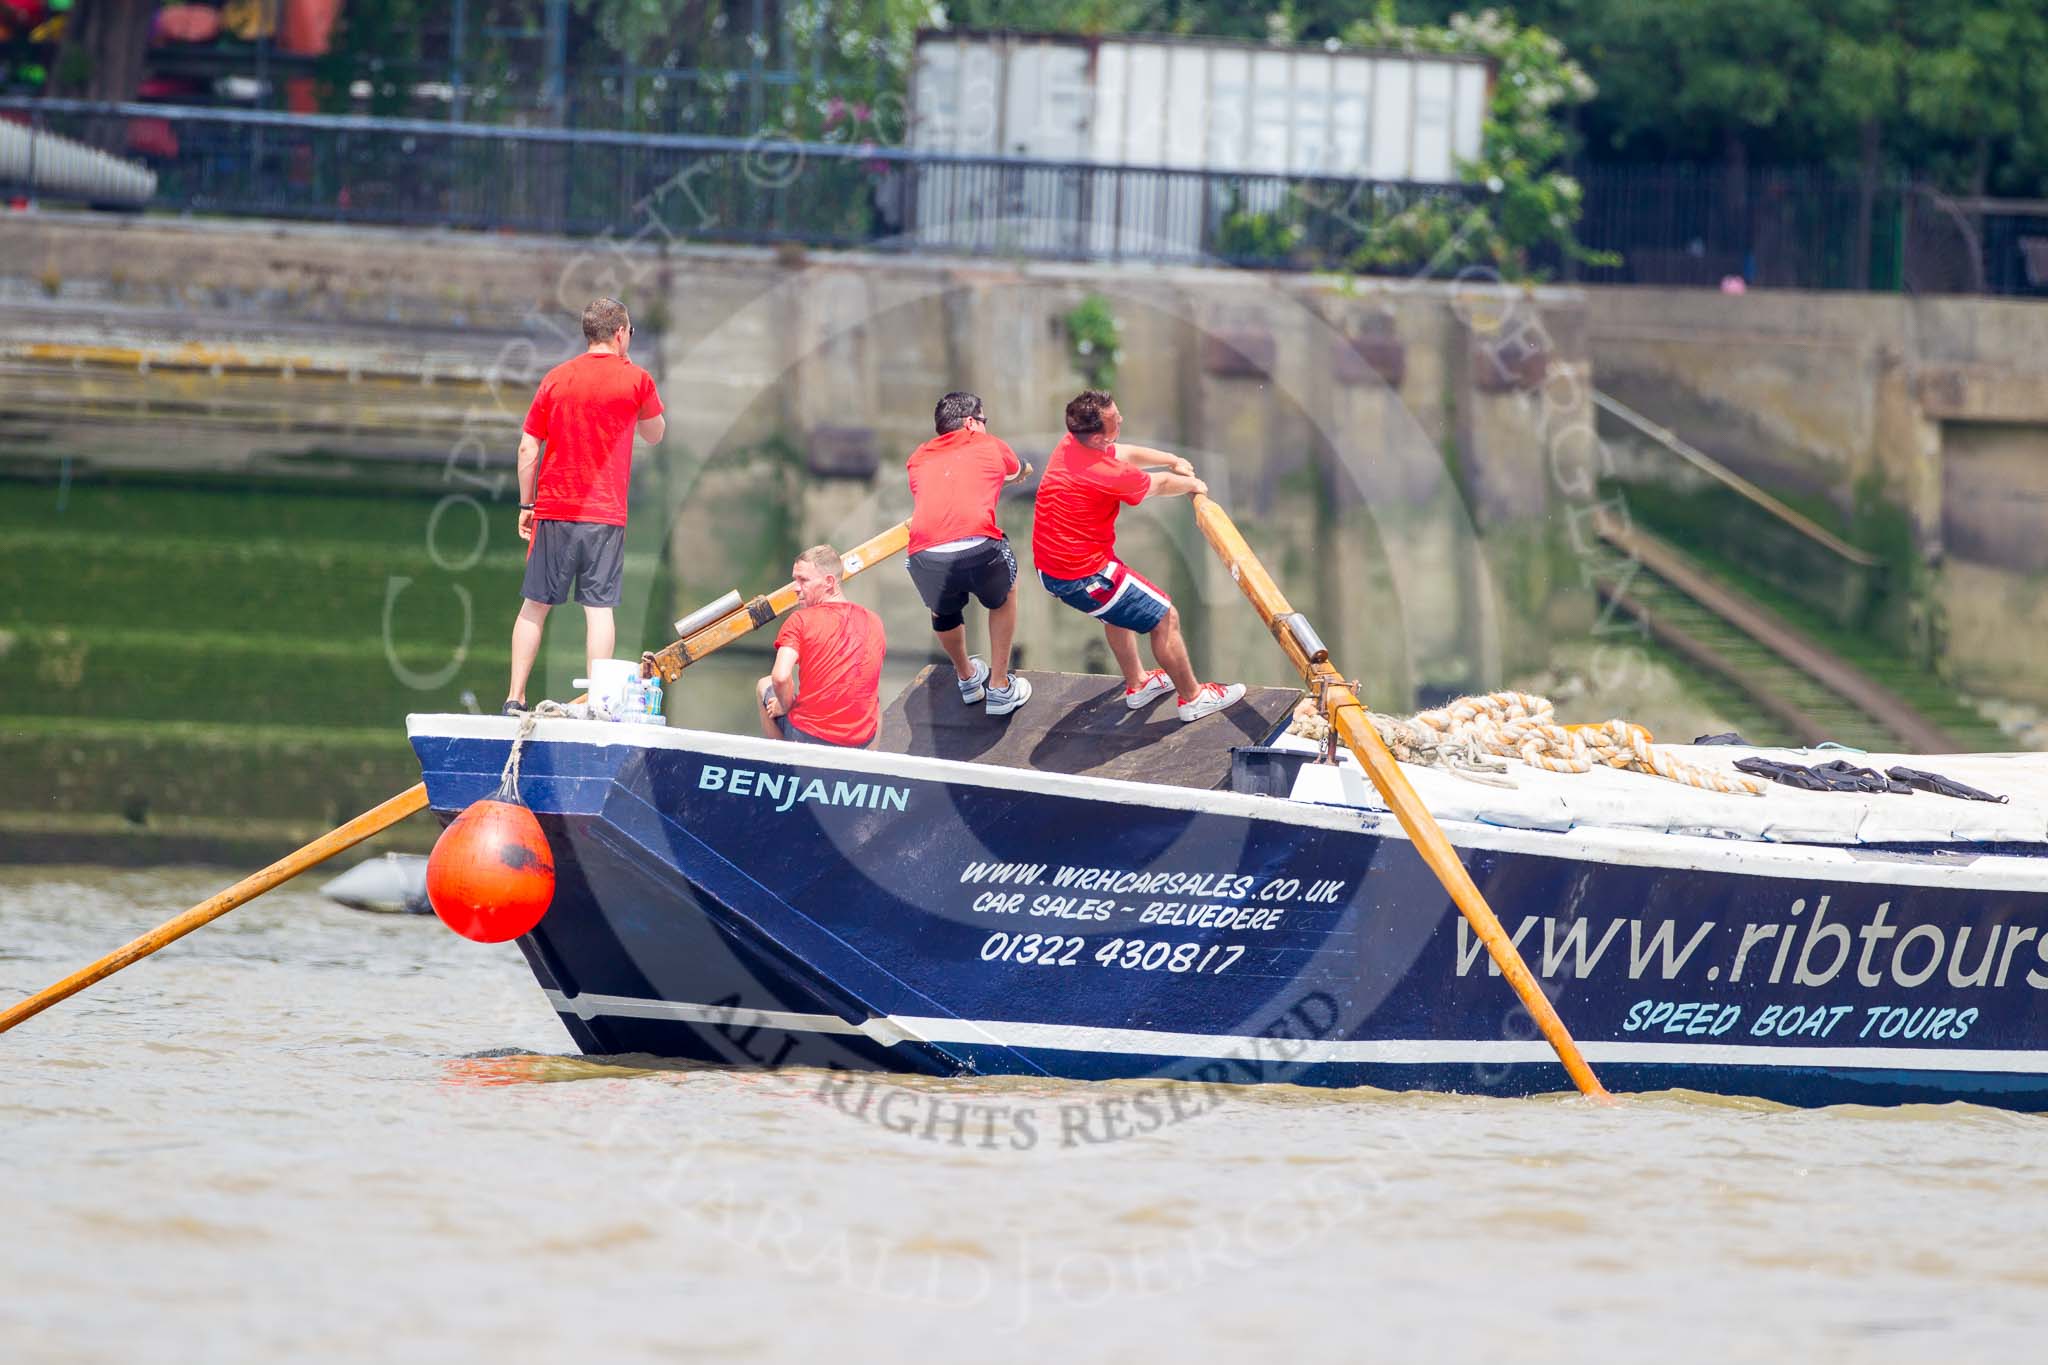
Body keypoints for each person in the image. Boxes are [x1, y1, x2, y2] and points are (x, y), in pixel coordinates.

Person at [1032, 389, 1245, 722]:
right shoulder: (1105, 473)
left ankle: (1139, 683)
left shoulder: (1071, 444)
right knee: (1164, 617)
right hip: (1083, 574)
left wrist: (1171, 459)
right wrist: (1193, 486)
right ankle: (1193, 698)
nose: (1121, 419)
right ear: (1099, 435)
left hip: (1054, 569)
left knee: (1116, 609)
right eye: (1116, 419)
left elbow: (1124, 452)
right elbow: (1156, 485)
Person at [505, 297, 665, 715]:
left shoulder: (556, 379)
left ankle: (514, 698)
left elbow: (527, 448)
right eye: (630, 331)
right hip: (605, 516)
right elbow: (655, 434)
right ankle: (598, 703)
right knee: (598, 610)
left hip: (554, 510)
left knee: (534, 607)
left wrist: (527, 503)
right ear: (619, 333)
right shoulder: (637, 380)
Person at [904, 391, 1032, 716]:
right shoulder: (990, 444)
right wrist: (1020, 474)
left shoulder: (918, 456)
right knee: (1006, 589)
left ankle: (967, 677)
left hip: (924, 552)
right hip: (979, 546)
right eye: (984, 421)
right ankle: (1001, 687)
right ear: (972, 422)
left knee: (942, 610)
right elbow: (1016, 472)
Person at [757, 545, 888, 748]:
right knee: (874, 700)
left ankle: (781, 764)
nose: (795, 588)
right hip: (861, 740)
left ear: (829, 582)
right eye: (795, 579)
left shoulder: (800, 620)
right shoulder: (874, 621)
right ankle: (867, 765)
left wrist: (784, 705)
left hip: (809, 737)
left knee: (764, 684)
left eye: (803, 580)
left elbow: (780, 677)